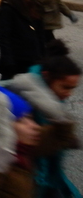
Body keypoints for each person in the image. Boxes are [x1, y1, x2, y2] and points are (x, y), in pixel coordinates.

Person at [6, 40, 82, 197]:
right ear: (47, 76)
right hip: (31, 173)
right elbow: (33, 143)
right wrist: (62, 135)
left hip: (47, 172)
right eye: (65, 87)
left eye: (72, 88)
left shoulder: (50, 96)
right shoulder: (28, 98)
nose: (69, 94)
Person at [0, 0, 46, 80]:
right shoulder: (8, 8)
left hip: (33, 59)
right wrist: (8, 61)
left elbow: (40, 34)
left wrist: (43, 55)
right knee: (9, 90)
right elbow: (4, 37)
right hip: (16, 60)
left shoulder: (35, 5)